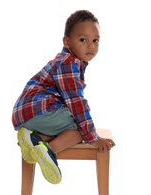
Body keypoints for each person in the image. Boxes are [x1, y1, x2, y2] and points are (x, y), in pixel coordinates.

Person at [12, 10, 115, 185]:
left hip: (28, 115)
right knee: (78, 129)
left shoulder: (67, 61)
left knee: (75, 126)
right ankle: (49, 152)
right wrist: (93, 137)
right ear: (67, 42)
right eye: (83, 40)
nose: (90, 46)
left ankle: (36, 139)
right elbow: (77, 103)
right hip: (39, 111)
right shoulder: (68, 64)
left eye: (95, 40)